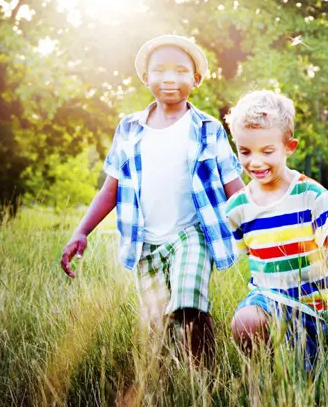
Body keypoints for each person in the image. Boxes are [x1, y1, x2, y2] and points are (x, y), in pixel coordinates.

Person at [60, 34, 244, 366]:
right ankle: (171, 381)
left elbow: (234, 186)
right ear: (146, 78)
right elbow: (109, 190)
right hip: (145, 243)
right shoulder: (129, 129)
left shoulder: (208, 129)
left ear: (196, 79)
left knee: (189, 304)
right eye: (159, 70)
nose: (169, 78)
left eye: (180, 71)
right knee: (158, 327)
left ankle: (205, 376)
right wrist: (81, 231)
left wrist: (258, 227)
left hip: (193, 235)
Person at [224, 90, 328, 369]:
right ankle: (261, 382)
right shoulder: (237, 208)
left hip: (315, 309)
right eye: (245, 151)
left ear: (289, 147)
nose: (255, 162)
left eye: (267, 151)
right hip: (269, 300)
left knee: (311, 380)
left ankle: (299, 371)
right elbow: (229, 257)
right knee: (247, 320)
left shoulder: (312, 195)